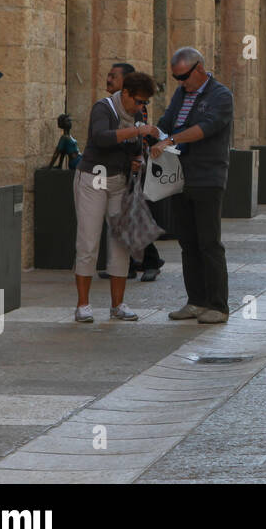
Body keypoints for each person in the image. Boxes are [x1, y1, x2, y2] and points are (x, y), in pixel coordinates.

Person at [152, 47, 234, 325]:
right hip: (180, 178)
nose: (181, 82)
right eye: (176, 78)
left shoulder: (221, 96)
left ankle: (218, 305)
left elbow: (206, 127)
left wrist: (172, 140)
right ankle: (196, 301)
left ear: (199, 68)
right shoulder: (181, 94)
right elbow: (168, 121)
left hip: (207, 177)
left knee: (209, 242)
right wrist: (155, 134)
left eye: (184, 77)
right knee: (188, 242)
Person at [73, 71, 159, 322]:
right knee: (88, 241)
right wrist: (136, 131)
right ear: (126, 94)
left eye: (145, 103)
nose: (141, 106)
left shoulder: (138, 115)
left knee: (120, 243)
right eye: (139, 101)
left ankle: (118, 304)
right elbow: (101, 138)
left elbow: (135, 148)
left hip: (119, 181)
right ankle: (83, 305)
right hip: (93, 178)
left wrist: (138, 158)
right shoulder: (103, 107)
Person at [97, 61, 162, 283]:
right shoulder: (109, 106)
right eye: (108, 75)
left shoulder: (136, 107)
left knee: (134, 215)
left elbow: (138, 138)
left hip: (132, 168)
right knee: (123, 217)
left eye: (113, 76)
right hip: (117, 168)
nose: (108, 79)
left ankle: (151, 262)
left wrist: (134, 159)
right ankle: (130, 265)